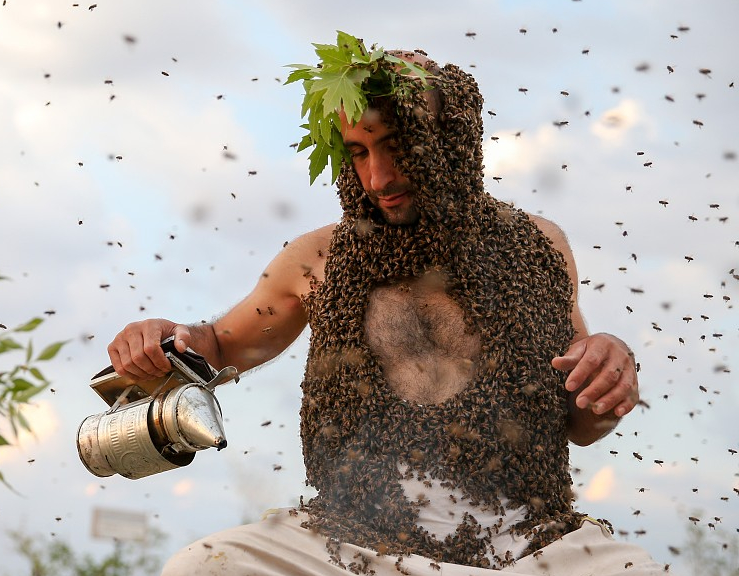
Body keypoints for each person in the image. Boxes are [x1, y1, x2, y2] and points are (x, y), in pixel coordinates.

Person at [106, 40, 666, 575]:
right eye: (359, 153)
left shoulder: (539, 246)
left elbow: (583, 420)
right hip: (353, 543)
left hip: (531, 545)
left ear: (452, 139)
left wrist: (611, 366)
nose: (379, 178)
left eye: (397, 148)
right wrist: (163, 339)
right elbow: (220, 346)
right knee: (202, 566)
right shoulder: (318, 257)